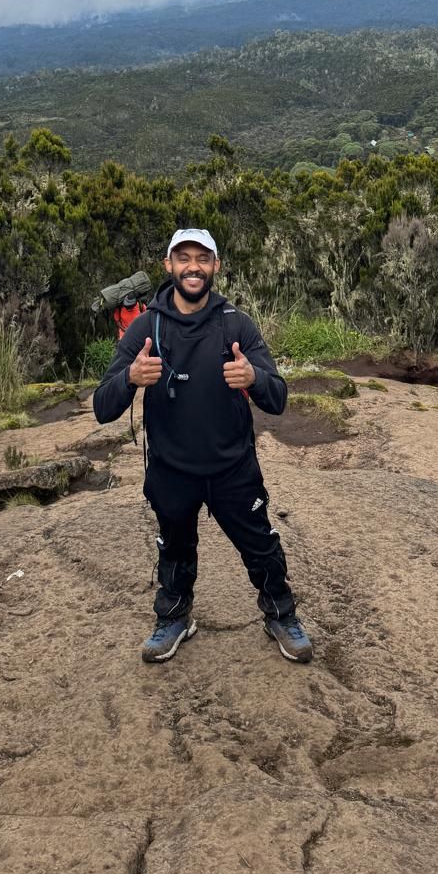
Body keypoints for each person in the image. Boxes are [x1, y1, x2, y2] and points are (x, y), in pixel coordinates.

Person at [93, 229, 313, 665]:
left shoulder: (236, 323)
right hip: (171, 470)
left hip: (233, 468)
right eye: (184, 258)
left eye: (202, 258)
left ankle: (281, 615)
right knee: (174, 550)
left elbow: (278, 397)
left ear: (215, 266)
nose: (193, 266)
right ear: (168, 266)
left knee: (261, 548)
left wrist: (254, 379)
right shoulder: (145, 326)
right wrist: (130, 379)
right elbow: (103, 407)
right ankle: (174, 618)